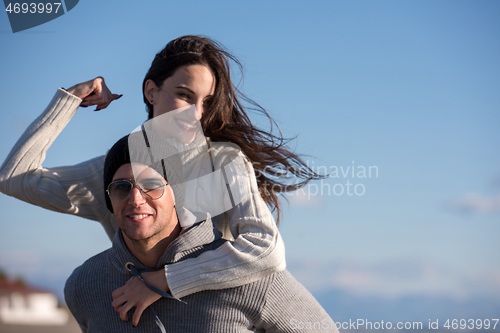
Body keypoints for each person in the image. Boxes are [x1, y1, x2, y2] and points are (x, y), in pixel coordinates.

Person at [0, 35, 323, 325]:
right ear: (151, 91)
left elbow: (266, 250)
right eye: (184, 95)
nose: (196, 113)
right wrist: (68, 100)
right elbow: (14, 179)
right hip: (132, 313)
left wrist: (164, 279)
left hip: (217, 316)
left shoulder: (223, 162)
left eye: (207, 102)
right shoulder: (113, 173)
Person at [64, 133, 338, 332]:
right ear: (109, 198)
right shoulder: (84, 285)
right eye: (122, 187)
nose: (135, 199)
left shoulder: (250, 278)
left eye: (151, 184)